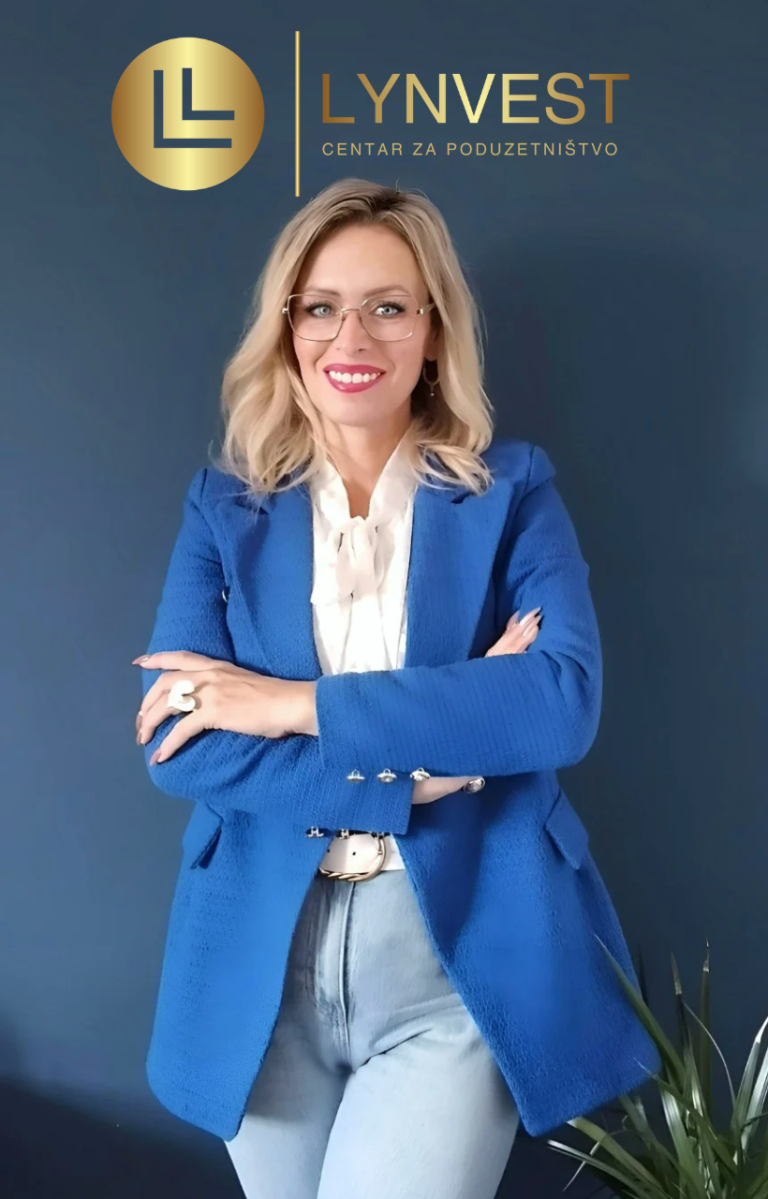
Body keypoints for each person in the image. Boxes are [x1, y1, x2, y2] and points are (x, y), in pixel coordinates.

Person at [133, 177, 660, 1199]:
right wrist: (412, 769)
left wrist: (290, 706)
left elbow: (558, 701)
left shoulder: (513, 492)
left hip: (456, 959)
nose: (352, 336)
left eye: (387, 305)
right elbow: (179, 741)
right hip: (260, 962)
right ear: (287, 328)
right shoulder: (224, 508)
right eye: (321, 306)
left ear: (433, 330)